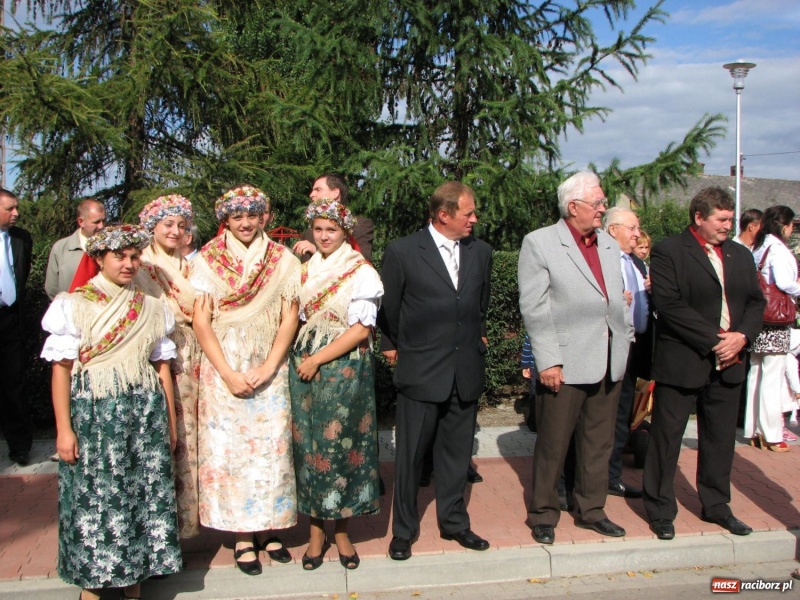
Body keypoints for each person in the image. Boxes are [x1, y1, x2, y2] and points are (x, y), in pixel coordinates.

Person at [41, 224, 181, 600]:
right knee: (95, 499)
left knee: (140, 496)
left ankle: (134, 584)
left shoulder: (153, 308)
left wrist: (170, 424)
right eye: (119, 257)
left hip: (143, 414)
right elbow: (61, 371)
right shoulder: (74, 305)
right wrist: (64, 429)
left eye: (134, 257)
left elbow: (162, 369)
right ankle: (93, 586)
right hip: (94, 414)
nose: (128, 264)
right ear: (99, 259)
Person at [643, 187, 764, 541]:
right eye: (721, 219)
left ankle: (716, 505)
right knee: (667, 438)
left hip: (731, 362)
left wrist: (741, 337)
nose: (728, 225)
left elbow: (756, 302)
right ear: (699, 217)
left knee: (720, 440)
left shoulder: (740, 255)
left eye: (730, 219)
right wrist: (717, 340)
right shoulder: (669, 251)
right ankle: (660, 509)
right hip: (684, 360)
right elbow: (670, 305)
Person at [518, 171, 632, 546]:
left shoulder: (609, 245)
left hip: (608, 359)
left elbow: (615, 299)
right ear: (573, 206)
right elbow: (534, 308)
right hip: (564, 364)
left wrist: (625, 338)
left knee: (598, 444)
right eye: (597, 203)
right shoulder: (540, 243)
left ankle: (591, 510)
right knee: (553, 444)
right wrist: (548, 360)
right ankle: (543, 513)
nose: (603, 208)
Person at [379, 181, 492, 560]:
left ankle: (455, 523)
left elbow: (479, 306)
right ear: (444, 215)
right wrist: (402, 347)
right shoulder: (403, 251)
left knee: (457, 457)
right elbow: (390, 310)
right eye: (468, 213)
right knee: (410, 458)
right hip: (421, 371)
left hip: (465, 371)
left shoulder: (481, 252)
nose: (474, 219)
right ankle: (404, 531)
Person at [191, 185, 300, 576]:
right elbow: (201, 321)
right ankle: (241, 535)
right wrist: (226, 373)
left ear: (262, 217)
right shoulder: (207, 260)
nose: (245, 223)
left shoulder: (282, 259)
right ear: (226, 219)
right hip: (225, 365)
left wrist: (269, 366)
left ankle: (269, 526)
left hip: (268, 363)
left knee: (271, 448)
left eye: (252, 215)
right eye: (237, 217)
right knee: (232, 452)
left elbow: (289, 317)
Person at [289, 198, 383, 570]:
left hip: (345, 367)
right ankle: (316, 531)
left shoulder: (361, 271)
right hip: (304, 365)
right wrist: (304, 359)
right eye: (319, 229)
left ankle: (342, 530)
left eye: (332, 230)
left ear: (345, 232)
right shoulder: (304, 270)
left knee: (343, 445)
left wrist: (317, 359)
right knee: (309, 447)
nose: (324, 236)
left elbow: (360, 329)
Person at [135, 194, 202, 540]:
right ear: (152, 227)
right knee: (164, 436)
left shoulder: (192, 265)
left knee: (190, 438)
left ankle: (187, 525)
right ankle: (160, 531)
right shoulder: (142, 266)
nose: (175, 231)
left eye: (181, 225)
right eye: (167, 225)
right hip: (157, 356)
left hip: (194, 354)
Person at [602, 207, 650, 499]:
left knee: (623, 413)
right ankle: (597, 474)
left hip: (634, 346)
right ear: (613, 230)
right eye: (631, 228)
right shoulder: (603, 259)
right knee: (605, 413)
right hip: (608, 347)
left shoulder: (636, 263)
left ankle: (612, 475)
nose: (637, 234)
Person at [744, 205, 799, 452]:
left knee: (756, 372)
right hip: (776, 320)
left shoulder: (759, 247)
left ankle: (754, 429)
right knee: (772, 376)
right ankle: (771, 433)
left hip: (759, 318)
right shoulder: (778, 250)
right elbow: (785, 283)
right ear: (784, 225)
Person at [0, 188, 33, 466]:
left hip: (11, 319)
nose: (16, 213)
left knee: (14, 383)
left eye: (16, 207)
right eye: (9, 208)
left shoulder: (22, 239)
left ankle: (20, 447)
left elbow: (21, 276)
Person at [293, 174, 374, 262]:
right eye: (318, 229)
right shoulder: (309, 232)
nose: (311, 194)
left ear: (335, 193)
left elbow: (362, 260)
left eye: (318, 190)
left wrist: (317, 251)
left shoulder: (360, 225)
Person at [44, 199, 106, 299]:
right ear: (81, 222)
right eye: (96, 222)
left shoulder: (110, 248)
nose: (101, 226)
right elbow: (52, 287)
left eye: (103, 221)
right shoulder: (61, 248)